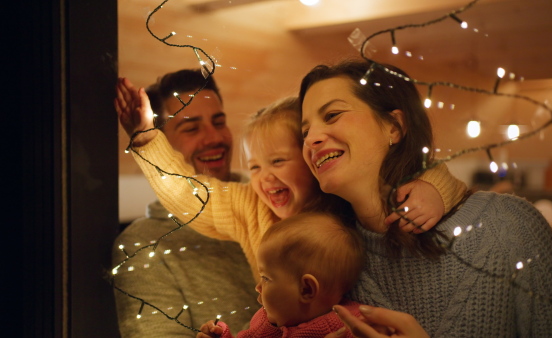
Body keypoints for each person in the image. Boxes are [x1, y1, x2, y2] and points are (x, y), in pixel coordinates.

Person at [298, 59, 552, 337]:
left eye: (332, 115)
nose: (311, 139)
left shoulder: (510, 227)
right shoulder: (324, 265)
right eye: (305, 131)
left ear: (394, 127)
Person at [115, 76, 467, 284]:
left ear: (312, 160)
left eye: (278, 161)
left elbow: (415, 175)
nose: (265, 178)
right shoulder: (250, 207)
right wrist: (145, 135)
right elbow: (188, 194)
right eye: (254, 168)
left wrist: (433, 190)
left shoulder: (342, 196)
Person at [112, 70, 260, 337]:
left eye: (219, 122)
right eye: (191, 128)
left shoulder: (268, 203)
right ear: (162, 141)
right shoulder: (144, 246)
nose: (214, 138)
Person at [197, 212, 364, 338]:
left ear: (306, 289)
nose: (258, 287)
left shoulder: (350, 326)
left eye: (266, 278)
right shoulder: (265, 322)